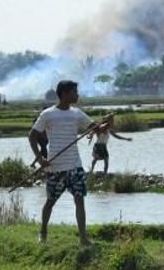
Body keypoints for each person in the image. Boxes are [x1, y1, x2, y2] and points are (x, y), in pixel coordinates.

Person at [29, 80, 98, 246]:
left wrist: (105, 125)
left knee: (79, 199)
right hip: (55, 167)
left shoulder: (77, 114)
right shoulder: (48, 114)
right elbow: (32, 135)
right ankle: (43, 232)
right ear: (65, 94)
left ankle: (83, 237)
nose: (77, 95)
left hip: (75, 165)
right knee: (50, 201)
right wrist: (40, 158)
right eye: (75, 92)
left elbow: (94, 127)